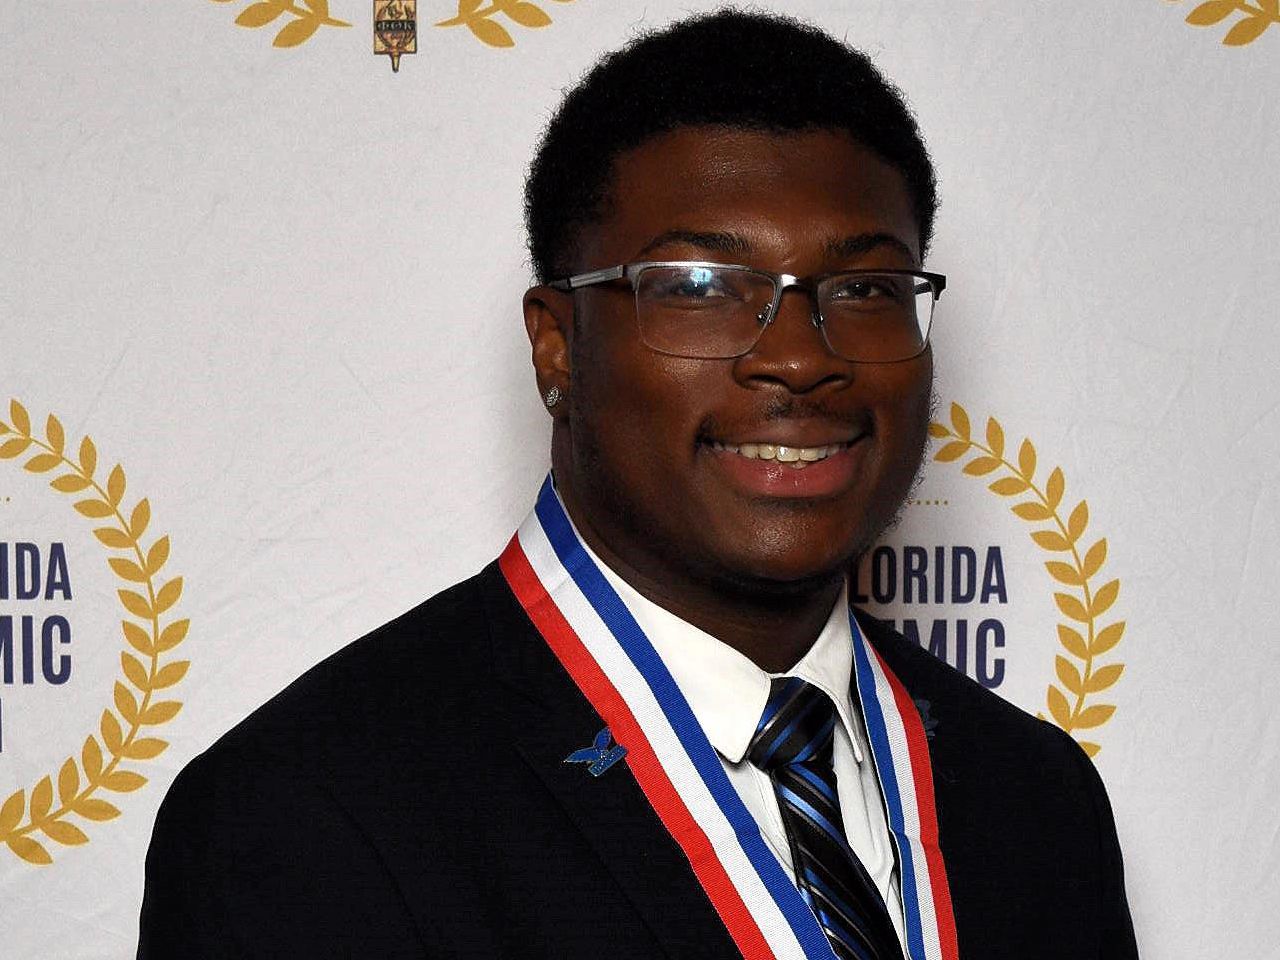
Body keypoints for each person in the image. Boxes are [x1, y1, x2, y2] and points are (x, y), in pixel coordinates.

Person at [137, 8, 1138, 959]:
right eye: (699, 288)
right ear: (557, 348)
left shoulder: (1034, 799)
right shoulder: (306, 816)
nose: (796, 358)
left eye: (864, 290)